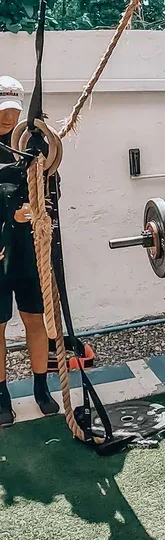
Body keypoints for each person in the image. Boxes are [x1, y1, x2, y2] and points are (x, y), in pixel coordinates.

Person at [0, 76, 59, 426]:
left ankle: (41, 387)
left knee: (36, 321)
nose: (7, 118)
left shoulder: (32, 147)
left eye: (12, 111)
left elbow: (50, 189)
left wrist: (37, 212)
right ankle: (2, 394)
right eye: (2, 111)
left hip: (29, 251)